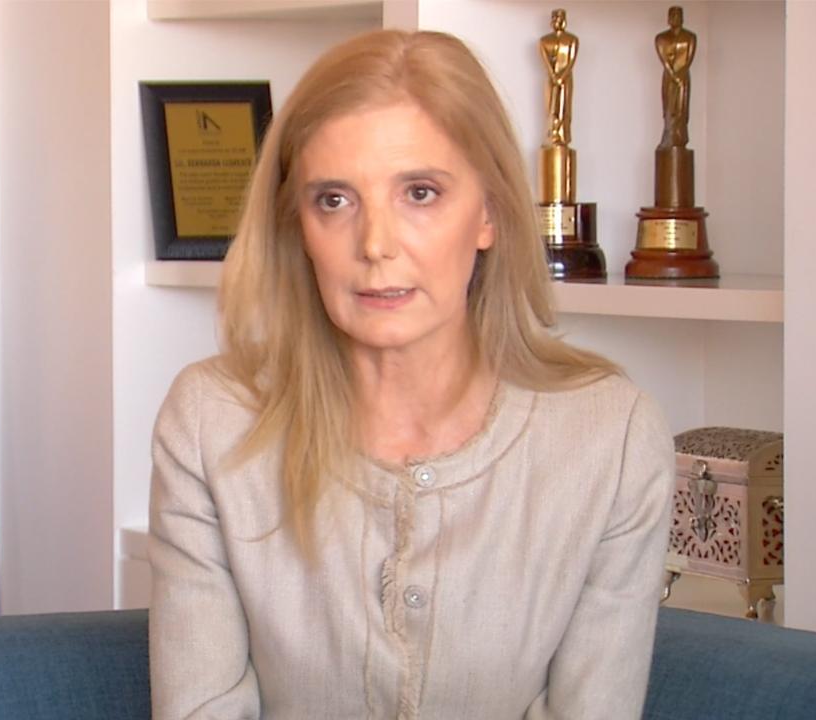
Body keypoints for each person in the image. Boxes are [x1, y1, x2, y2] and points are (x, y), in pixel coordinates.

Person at [148, 29, 673, 720]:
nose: (375, 245)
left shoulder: (612, 438)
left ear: (488, 213)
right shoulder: (210, 423)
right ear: (296, 226)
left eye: (420, 193)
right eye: (333, 200)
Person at [656, 6, 696, 148]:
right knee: (669, 108)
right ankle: (669, 136)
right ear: (668, 18)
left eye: (678, 15)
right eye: (672, 15)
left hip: (683, 78)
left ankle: (680, 137)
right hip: (669, 78)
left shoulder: (690, 37)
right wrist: (672, 75)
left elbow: (689, 59)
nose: (675, 18)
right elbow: (664, 60)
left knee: (681, 109)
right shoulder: (661, 38)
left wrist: (680, 75)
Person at [540, 8, 579, 147]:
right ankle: (552, 133)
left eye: (561, 18)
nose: (558, 21)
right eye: (555, 18)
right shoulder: (545, 41)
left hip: (565, 79)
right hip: (552, 79)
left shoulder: (572, 40)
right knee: (551, 108)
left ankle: (563, 135)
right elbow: (546, 60)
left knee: (564, 108)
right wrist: (553, 75)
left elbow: (571, 60)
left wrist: (562, 77)